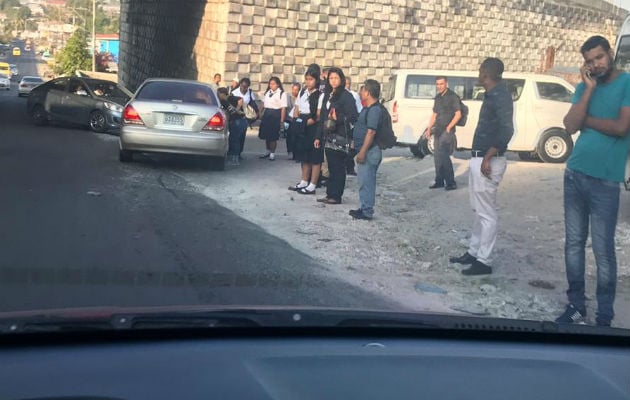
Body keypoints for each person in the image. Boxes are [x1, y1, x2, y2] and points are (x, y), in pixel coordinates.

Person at [555, 36, 630, 327]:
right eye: (589, 61)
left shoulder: (627, 83)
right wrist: (587, 91)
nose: (595, 64)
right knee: (573, 244)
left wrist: (587, 121)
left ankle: (604, 316)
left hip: (605, 182)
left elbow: (622, 128)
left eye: (599, 57)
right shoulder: (584, 87)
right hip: (574, 174)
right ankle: (576, 307)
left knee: (603, 249)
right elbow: (569, 124)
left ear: (610, 53)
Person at [449, 58, 513, 276]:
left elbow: (506, 130)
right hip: (480, 158)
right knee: (479, 210)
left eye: (480, 70)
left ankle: (484, 261)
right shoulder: (492, 95)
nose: (478, 74)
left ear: (486, 72)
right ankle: (474, 252)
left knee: (487, 213)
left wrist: (488, 156)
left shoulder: (501, 96)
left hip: (489, 160)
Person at [316, 67, 359, 204]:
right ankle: (330, 194)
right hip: (328, 135)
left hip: (340, 136)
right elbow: (322, 117)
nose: (333, 81)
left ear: (341, 79)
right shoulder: (328, 94)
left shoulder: (346, 96)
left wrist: (338, 117)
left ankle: (336, 196)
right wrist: (318, 136)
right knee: (329, 167)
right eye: (331, 78)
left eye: (336, 78)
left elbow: (353, 116)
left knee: (338, 167)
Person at [349, 79, 383, 220]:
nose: (360, 92)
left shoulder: (374, 110)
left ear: (368, 92)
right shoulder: (367, 108)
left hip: (370, 151)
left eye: (362, 90)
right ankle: (364, 207)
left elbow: (371, 132)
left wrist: (362, 151)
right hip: (365, 150)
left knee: (367, 181)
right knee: (364, 181)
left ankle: (367, 211)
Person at [288, 64, 324, 195]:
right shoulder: (302, 92)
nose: (308, 82)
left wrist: (306, 123)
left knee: (314, 156)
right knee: (303, 155)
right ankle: (304, 180)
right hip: (301, 122)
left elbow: (319, 115)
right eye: (307, 79)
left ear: (316, 80)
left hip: (313, 125)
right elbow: (297, 107)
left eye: (311, 79)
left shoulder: (320, 95)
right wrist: (298, 121)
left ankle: (313, 184)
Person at [426, 76, 462, 190]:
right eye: (437, 84)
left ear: (446, 83)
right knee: (437, 156)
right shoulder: (437, 98)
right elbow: (434, 115)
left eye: (441, 84)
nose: (439, 86)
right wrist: (429, 128)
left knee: (444, 155)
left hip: (447, 131)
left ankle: (451, 182)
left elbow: (458, 114)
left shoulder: (453, 96)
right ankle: (439, 181)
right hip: (437, 130)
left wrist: (449, 127)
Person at [258, 77, 287, 161]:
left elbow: (283, 108)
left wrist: (282, 120)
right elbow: (263, 103)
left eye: (273, 84)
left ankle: (272, 153)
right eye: (270, 84)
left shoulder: (282, 93)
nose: (271, 85)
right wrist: (260, 112)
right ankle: (267, 150)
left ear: (278, 84)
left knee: (273, 136)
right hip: (267, 114)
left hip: (275, 114)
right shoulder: (267, 92)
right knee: (266, 135)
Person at [217, 87, 246, 166]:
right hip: (241, 121)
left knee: (234, 140)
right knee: (237, 140)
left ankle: (234, 160)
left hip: (236, 121)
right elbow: (240, 99)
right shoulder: (230, 98)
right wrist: (238, 109)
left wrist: (237, 109)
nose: (218, 96)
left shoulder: (224, 101)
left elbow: (232, 111)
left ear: (222, 94)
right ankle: (236, 157)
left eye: (219, 94)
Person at [231, 77, 259, 158]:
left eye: (246, 87)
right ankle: (233, 152)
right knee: (234, 135)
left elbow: (253, 103)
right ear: (240, 85)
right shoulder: (234, 92)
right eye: (242, 86)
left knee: (242, 135)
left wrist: (256, 113)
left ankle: (239, 152)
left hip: (245, 116)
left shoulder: (250, 93)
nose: (244, 88)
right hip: (236, 115)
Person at [286, 82, 302, 159]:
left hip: (298, 120)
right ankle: (290, 151)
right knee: (289, 136)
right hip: (289, 119)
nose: (295, 91)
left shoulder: (301, 98)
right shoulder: (288, 97)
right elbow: (287, 108)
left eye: (297, 90)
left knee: (297, 137)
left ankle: (296, 153)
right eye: (294, 89)